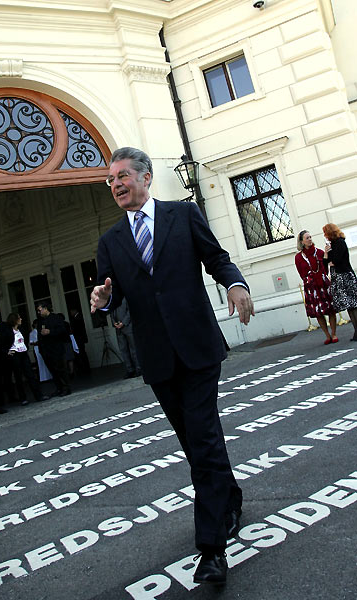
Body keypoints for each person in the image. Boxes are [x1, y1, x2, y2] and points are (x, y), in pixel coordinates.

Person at [90, 147, 254, 587]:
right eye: (110, 180)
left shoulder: (183, 215)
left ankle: (212, 549)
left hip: (198, 347)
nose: (116, 184)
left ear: (146, 178)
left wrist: (235, 284)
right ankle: (230, 497)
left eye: (123, 175)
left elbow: (216, 257)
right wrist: (103, 302)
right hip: (158, 357)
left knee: (202, 439)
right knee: (196, 441)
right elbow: (111, 294)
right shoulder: (110, 242)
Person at [295, 230, 337, 344]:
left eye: (310, 237)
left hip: (323, 283)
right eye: (307, 238)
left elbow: (325, 266)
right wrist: (309, 280)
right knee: (318, 312)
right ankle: (327, 335)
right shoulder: (298, 258)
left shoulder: (319, 252)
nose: (309, 239)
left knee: (330, 309)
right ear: (302, 241)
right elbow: (301, 273)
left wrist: (326, 255)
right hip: (311, 286)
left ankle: (333, 333)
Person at [323, 223, 357, 342]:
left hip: (345, 276)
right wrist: (326, 253)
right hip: (339, 277)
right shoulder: (333, 244)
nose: (325, 235)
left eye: (325, 233)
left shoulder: (340, 243)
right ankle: (356, 330)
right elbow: (326, 262)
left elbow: (336, 260)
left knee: (353, 304)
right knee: (349, 305)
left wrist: (331, 261)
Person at [4, 313, 48, 404]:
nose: (21, 319)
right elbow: (3, 343)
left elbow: (26, 340)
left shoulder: (22, 330)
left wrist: (26, 348)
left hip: (23, 354)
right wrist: (7, 351)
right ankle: (23, 398)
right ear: (14, 320)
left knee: (30, 375)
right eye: (19, 318)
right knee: (18, 377)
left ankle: (38, 395)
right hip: (15, 355)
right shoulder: (8, 331)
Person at [36, 302, 71, 397]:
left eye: (40, 310)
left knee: (61, 369)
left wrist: (50, 332)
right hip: (46, 350)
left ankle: (66, 388)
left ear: (45, 308)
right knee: (53, 371)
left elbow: (63, 331)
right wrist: (41, 350)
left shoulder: (56, 318)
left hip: (57, 348)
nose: (39, 312)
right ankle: (59, 388)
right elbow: (39, 336)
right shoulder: (40, 321)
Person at [111, 297, 141, 378]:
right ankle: (130, 370)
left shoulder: (125, 297)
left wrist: (123, 322)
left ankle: (138, 368)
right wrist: (114, 323)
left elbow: (130, 311)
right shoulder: (112, 299)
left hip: (128, 326)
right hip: (118, 329)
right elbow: (111, 312)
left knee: (133, 349)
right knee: (123, 350)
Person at [69, 307, 91, 375]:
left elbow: (78, 329)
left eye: (71, 312)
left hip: (79, 338)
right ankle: (84, 367)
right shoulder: (77, 317)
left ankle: (85, 368)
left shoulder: (78, 318)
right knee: (81, 353)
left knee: (82, 353)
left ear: (74, 311)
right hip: (79, 338)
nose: (71, 313)